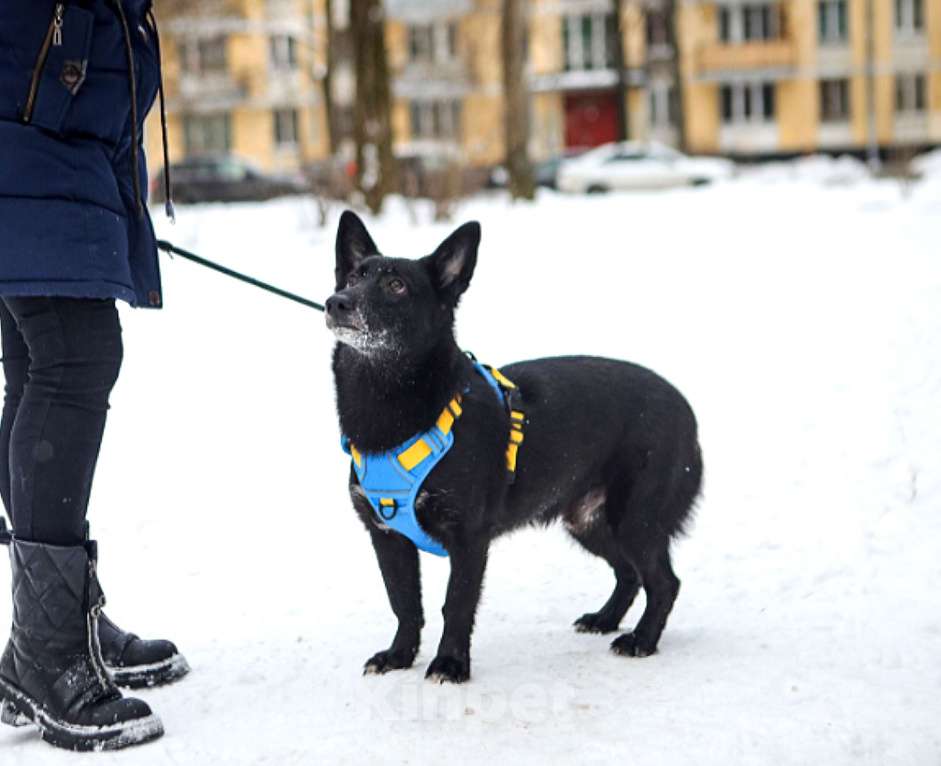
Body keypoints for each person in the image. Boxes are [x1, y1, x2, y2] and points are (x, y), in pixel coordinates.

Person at [0, 0, 185, 751]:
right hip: (30, 147)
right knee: (75, 360)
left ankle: (52, 624)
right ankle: (45, 650)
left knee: (38, 366)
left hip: (52, 149)